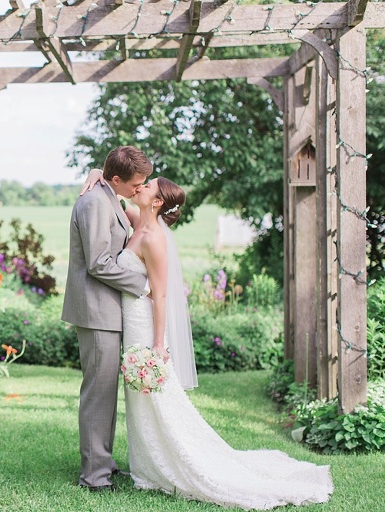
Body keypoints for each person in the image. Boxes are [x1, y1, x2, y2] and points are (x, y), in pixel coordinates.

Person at [81, 169, 334, 509]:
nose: (141, 186)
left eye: (149, 185)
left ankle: (178, 465)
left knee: (155, 399)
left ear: (157, 201)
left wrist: (158, 346)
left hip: (144, 325)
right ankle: (149, 465)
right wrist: (99, 171)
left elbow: (161, 295)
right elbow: (117, 195)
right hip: (130, 321)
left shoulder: (154, 236)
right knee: (142, 401)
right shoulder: (137, 218)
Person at [61, 145, 152, 492]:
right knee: (98, 394)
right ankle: (94, 477)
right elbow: (99, 262)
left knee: (105, 393)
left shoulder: (105, 193)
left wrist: (96, 172)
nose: (139, 190)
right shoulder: (94, 202)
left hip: (106, 310)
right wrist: (144, 286)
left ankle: (104, 463)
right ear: (116, 179)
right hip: (96, 311)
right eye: (135, 184)